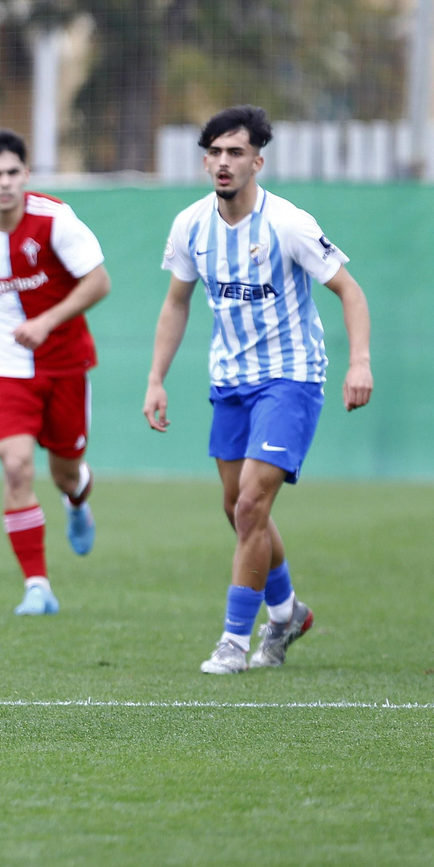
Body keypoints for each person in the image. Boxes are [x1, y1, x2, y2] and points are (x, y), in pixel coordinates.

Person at [144, 105, 373, 674]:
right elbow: (176, 302)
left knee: (250, 504)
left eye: (236, 153)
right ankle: (288, 610)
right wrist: (156, 379)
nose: (224, 163)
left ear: (257, 161)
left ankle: (233, 641)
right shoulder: (191, 225)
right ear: (206, 160)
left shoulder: (288, 223)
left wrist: (359, 363)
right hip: (230, 381)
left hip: (291, 377)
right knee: (238, 508)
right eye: (216, 153)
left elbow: (351, 292)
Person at [0, 130, 111, 616]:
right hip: (2, 365)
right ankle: (37, 586)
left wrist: (46, 320)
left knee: (64, 472)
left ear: (26, 175)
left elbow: (99, 281)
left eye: (13, 172)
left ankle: (77, 502)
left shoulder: (55, 220)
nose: (5, 183)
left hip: (64, 362)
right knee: (16, 466)